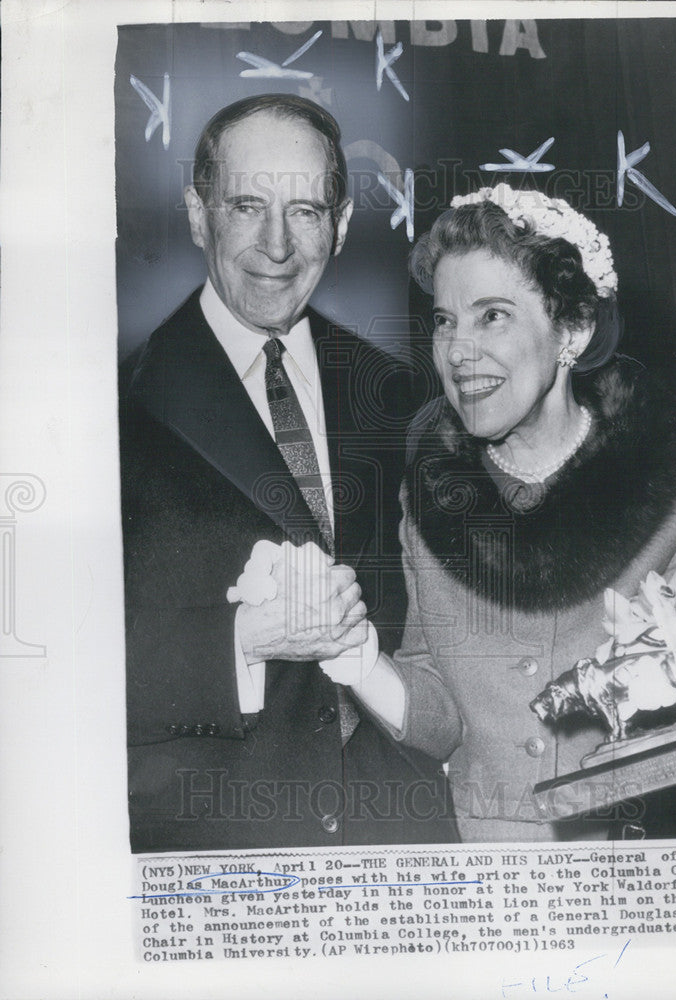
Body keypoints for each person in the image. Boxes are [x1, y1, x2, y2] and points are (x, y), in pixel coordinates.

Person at [347, 184, 676, 843]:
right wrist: (356, 659)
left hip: (634, 882)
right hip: (485, 888)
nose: (456, 351)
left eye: (492, 316)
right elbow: (441, 716)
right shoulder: (426, 498)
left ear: (572, 330)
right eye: (444, 319)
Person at [119, 94, 458, 851]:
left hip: (397, 841)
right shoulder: (104, 410)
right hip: (215, 847)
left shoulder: (401, 400)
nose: (275, 245)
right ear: (198, 214)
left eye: (304, 211)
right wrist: (241, 639)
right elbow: (49, 664)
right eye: (246, 204)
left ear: (338, 229)